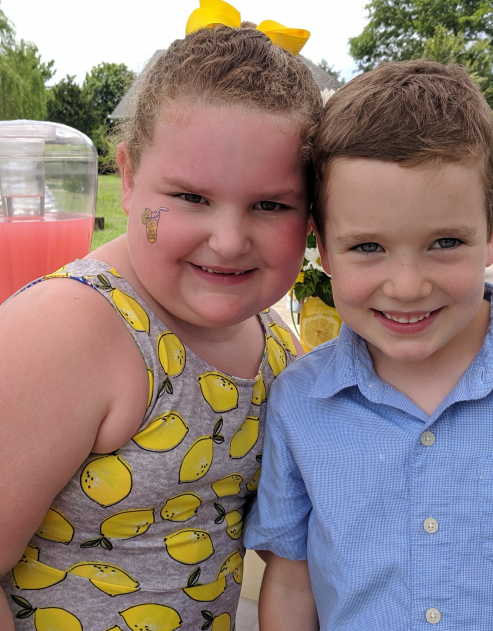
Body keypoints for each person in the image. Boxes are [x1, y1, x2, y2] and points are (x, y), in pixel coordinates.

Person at [244, 60, 493, 630]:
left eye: (445, 242)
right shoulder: (300, 400)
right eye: (367, 247)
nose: (407, 287)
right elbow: (291, 583)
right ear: (323, 248)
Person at [0, 9, 322, 629]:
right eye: (191, 197)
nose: (228, 240)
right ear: (127, 176)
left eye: (270, 205)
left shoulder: (278, 345)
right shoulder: (70, 330)